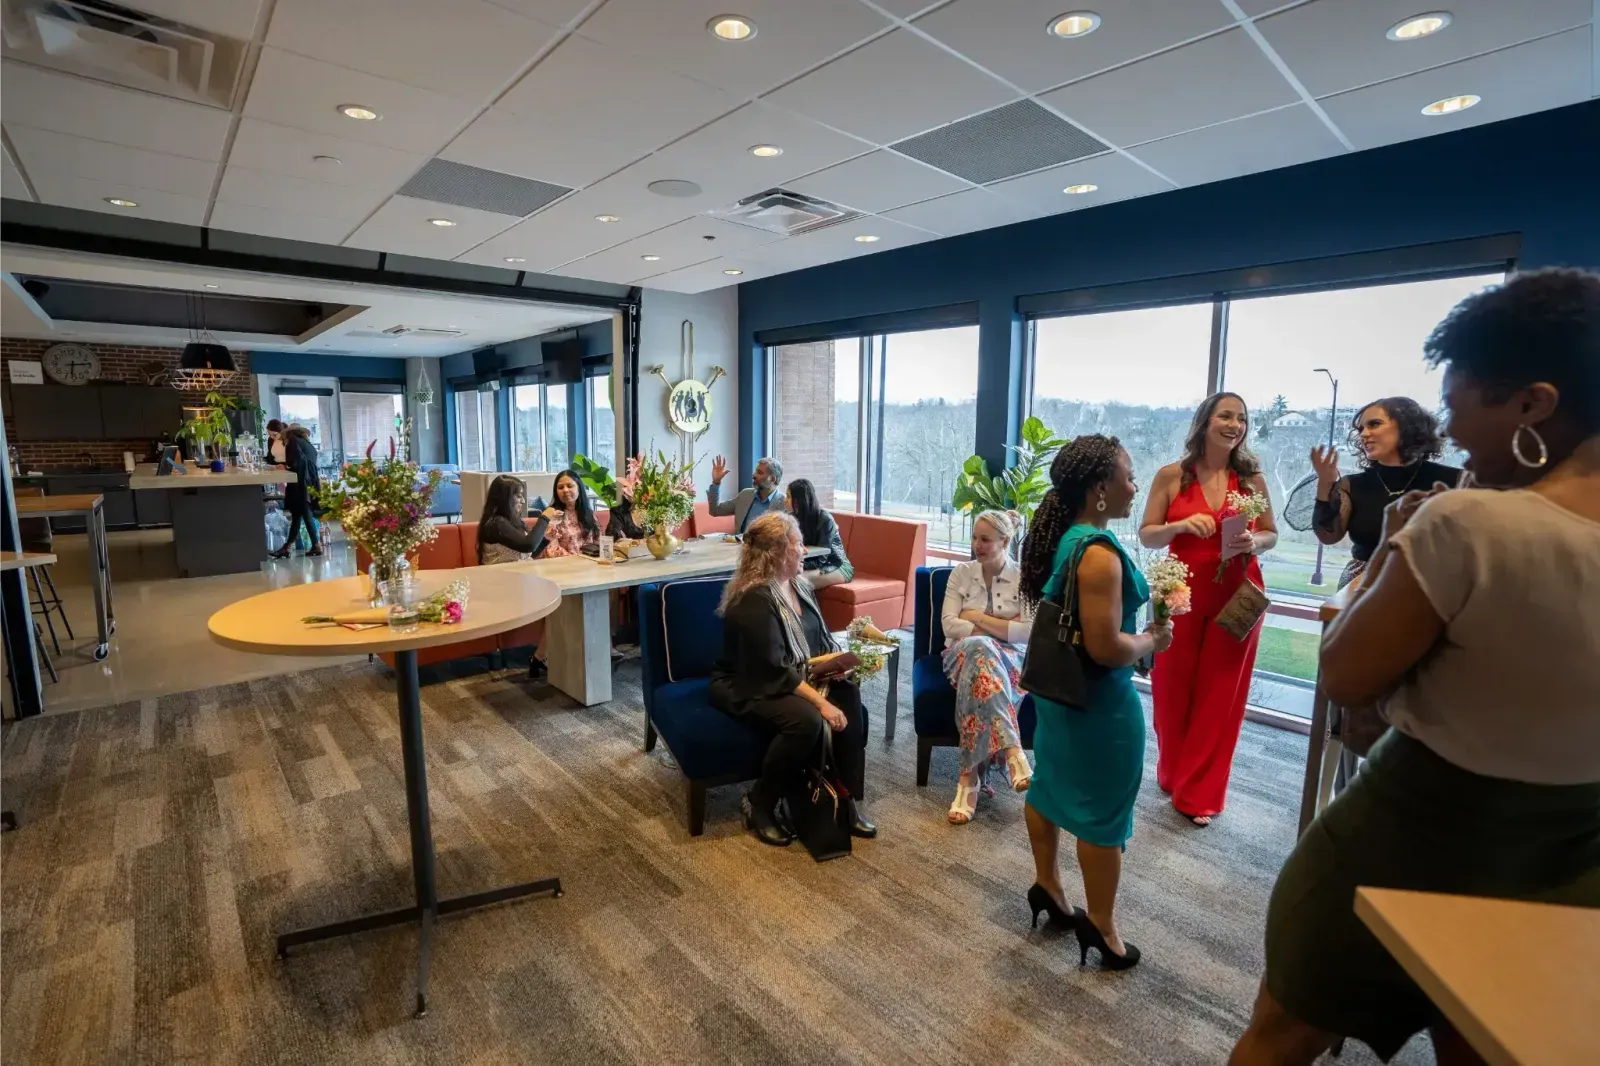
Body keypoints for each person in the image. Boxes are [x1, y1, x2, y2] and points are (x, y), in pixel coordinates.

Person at [1230, 269, 1600, 1064]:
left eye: (1462, 410)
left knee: (1282, 1032)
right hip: (1575, 852)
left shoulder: (1466, 521)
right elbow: (1326, 528)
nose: (1456, 435)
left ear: (1533, 404)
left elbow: (1344, 674)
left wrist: (1393, 551)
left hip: (1424, 831)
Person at [1019, 435, 1172, 970]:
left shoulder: (1068, 539)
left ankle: (1048, 885)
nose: (1135, 485)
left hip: (1059, 694)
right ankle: (1102, 928)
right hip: (1100, 706)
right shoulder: (1100, 555)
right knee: (1103, 817)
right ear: (1100, 487)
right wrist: (1153, 640)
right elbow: (1107, 649)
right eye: (1128, 476)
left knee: (1048, 786)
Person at [1140, 393, 1278, 826]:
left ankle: (1199, 794)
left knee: (1220, 693)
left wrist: (1255, 541)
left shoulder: (1252, 480)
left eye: (1242, 418)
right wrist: (1180, 525)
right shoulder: (1171, 475)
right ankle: (1174, 771)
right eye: (1226, 415)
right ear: (1205, 421)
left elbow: (1271, 533)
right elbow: (1147, 535)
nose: (1235, 424)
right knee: (1172, 689)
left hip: (1238, 592)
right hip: (1179, 591)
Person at [709, 512, 875, 847]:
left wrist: (837, 665)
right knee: (806, 720)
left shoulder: (799, 585)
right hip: (749, 682)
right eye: (797, 543)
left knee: (848, 695)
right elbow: (773, 669)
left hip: (794, 674)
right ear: (776, 552)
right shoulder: (754, 598)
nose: (804, 550)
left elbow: (819, 641)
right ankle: (760, 803)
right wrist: (822, 704)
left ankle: (845, 799)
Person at [1311, 396, 1462, 588]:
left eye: (1374, 424)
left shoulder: (1454, 480)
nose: (1364, 434)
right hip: (1361, 584)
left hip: (1430, 585)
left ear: (1407, 426)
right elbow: (1328, 536)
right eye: (1360, 429)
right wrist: (1325, 483)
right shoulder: (1352, 484)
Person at [939, 508, 1030, 825]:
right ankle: (1012, 749)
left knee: (981, 657)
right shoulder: (961, 573)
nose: (977, 545)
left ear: (1005, 541)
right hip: (960, 654)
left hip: (1010, 660)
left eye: (985, 539)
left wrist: (975, 617)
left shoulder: (1024, 578)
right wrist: (1001, 626)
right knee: (981, 647)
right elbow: (948, 625)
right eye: (975, 537)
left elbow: (1027, 632)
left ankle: (968, 780)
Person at [784, 478, 853, 590]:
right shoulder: (791, 518)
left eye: (788, 496)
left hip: (835, 565)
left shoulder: (825, 519)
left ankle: (806, 603)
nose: (785, 500)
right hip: (809, 563)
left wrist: (793, 565)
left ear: (798, 500)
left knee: (796, 580)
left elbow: (821, 559)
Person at [476, 474, 552, 564]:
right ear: (505, 498)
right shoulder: (496, 524)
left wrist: (547, 537)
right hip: (500, 572)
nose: (523, 501)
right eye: (519, 496)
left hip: (519, 570)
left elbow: (528, 553)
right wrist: (544, 517)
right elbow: (528, 545)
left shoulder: (513, 520)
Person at [271, 424, 321, 558]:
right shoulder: (307, 444)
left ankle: (316, 545)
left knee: (305, 514)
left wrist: (285, 466)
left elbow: (296, 462)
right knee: (298, 515)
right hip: (310, 481)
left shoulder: (292, 441)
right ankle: (287, 547)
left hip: (300, 482)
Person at [707, 454, 783, 533]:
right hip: (739, 541)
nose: (754, 475)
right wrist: (716, 482)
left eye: (759, 473)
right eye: (756, 471)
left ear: (772, 479)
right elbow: (715, 510)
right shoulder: (745, 495)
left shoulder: (784, 504)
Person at [540, 469, 600, 558]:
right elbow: (551, 550)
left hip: (590, 561)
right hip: (564, 563)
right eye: (560, 487)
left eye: (570, 486)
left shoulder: (588, 513)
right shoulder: (551, 514)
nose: (565, 490)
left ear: (579, 488)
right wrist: (577, 559)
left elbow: (598, 541)